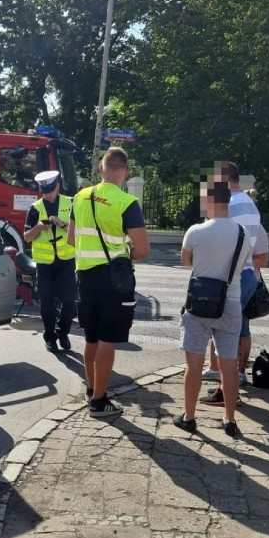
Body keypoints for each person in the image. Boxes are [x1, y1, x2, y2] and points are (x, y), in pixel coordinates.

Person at [67, 147, 150, 418]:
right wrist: (123, 250)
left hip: (84, 276)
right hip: (113, 279)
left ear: (101, 169)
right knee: (107, 340)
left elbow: (71, 240)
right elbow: (142, 250)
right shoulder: (127, 203)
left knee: (90, 337)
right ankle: (99, 402)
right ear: (125, 172)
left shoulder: (79, 197)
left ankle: (93, 389)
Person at [173, 174, 251, 438]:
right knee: (228, 365)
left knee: (193, 365)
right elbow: (240, 267)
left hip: (198, 306)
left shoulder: (195, 231)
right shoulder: (243, 234)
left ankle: (189, 417)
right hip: (229, 304)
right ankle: (229, 419)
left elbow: (186, 263)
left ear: (208, 200)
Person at [200, 161, 269, 404]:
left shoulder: (230, 204)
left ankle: (226, 394)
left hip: (232, 275)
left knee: (224, 334)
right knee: (231, 331)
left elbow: (221, 239)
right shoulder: (249, 204)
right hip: (246, 272)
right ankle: (227, 388)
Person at [24, 171, 77, 353]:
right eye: (43, 192)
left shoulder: (71, 204)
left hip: (66, 262)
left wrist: (62, 224)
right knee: (46, 304)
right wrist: (39, 226)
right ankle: (50, 337)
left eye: (50, 191)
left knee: (69, 302)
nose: (47, 195)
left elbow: (80, 232)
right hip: (45, 264)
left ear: (57, 186)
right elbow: (27, 238)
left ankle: (63, 333)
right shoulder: (35, 208)